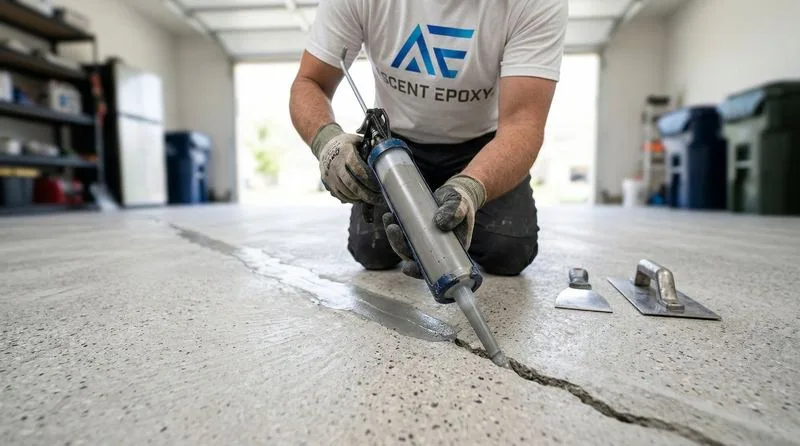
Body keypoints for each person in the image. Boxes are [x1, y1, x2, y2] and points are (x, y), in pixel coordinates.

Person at [289, 0, 567, 279]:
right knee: (371, 250)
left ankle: (453, 208)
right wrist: (328, 142)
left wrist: (471, 190)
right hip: (394, 144)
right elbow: (310, 82)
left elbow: (523, 124)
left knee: (508, 250)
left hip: (482, 146)